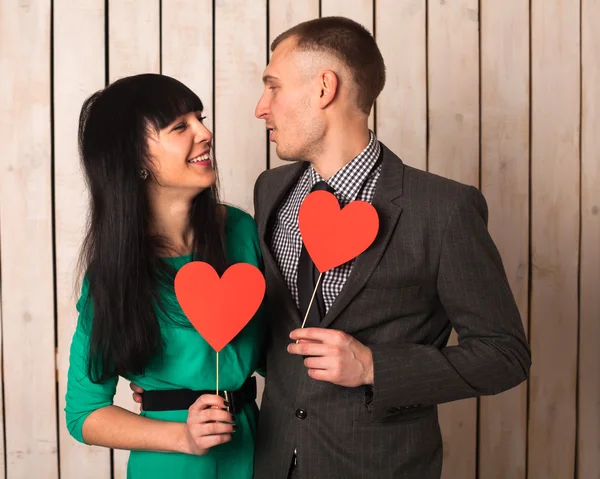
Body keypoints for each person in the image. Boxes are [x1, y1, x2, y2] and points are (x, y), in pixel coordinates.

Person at [250, 17, 531, 479]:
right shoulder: (270, 191)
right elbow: (275, 336)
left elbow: (505, 355)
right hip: (273, 460)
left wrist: (374, 366)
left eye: (273, 87)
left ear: (324, 88)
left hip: (380, 466)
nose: (261, 107)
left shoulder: (442, 209)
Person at [65, 73, 266, 479]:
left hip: (263, 451)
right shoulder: (115, 275)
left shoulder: (243, 231)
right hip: (172, 467)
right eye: (181, 127)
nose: (205, 133)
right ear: (135, 158)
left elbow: (275, 352)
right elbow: (85, 413)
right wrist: (181, 437)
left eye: (200, 118)